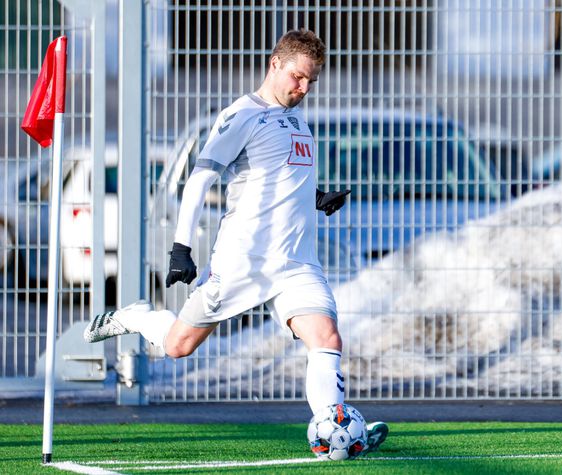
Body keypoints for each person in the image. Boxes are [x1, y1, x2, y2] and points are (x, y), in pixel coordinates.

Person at [84, 29, 387, 455]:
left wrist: (315, 198)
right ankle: (137, 317)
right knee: (178, 346)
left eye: (311, 81)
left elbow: (274, 176)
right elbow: (201, 178)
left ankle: (335, 427)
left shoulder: (296, 117)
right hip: (244, 262)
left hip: (296, 263)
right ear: (275, 63)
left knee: (327, 339)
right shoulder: (241, 115)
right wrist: (181, 247)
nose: (303, 88)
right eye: (298, 77)